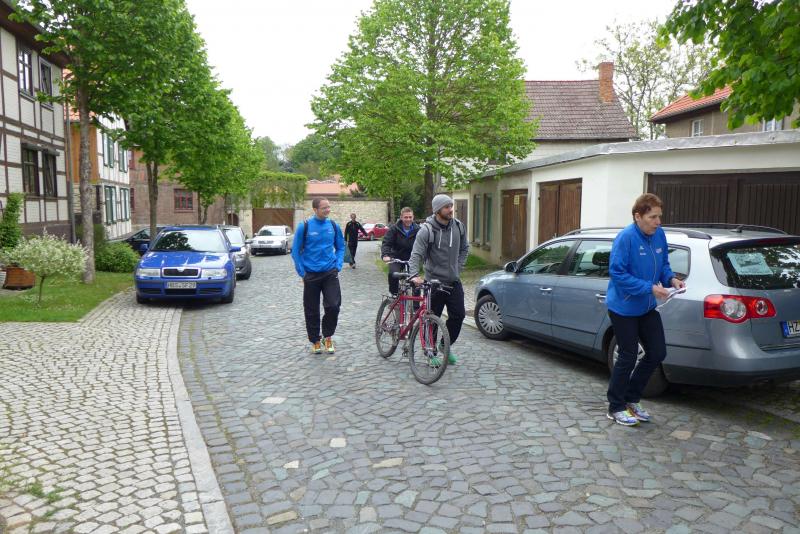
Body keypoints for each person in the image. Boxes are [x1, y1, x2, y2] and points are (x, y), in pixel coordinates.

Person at [605, 193, 685, 426]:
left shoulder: (659, 234)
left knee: (657, 353)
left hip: (647, 306)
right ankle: (616, 406)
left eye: (659, 216)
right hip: (623, 307)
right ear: (637, 216)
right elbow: (617, 274)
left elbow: (664, 265)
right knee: (628, 356)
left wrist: (671, 279)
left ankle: (631, 399)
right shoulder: (625, 238)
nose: (658, 222)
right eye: (653, 217)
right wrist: (649, 288)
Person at [408, 194, 468, 365]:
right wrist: (414, 275)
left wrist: (458, 267)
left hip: (453, 281)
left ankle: (444, 346)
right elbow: (416, 254)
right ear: (437, 210)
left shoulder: (459, 227)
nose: (451, 209)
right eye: (446, 207)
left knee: (459, 315)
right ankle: (430, 353)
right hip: (433, 283)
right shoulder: (427, 230)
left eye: (451, 206)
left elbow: (465, 248)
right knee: (431, 320)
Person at [291, 197, 345, 355]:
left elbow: (341, 247)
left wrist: (338, 265)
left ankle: (327, 336)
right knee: (311, 310)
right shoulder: (304, 226)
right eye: (324, 208)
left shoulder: (333, 225)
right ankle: (315, 340)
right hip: (311, 274)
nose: (328, 210)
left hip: (330, 272)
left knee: (333, 306)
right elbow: (295, 251)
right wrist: (302, 272)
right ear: (315, 210)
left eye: (328, 207)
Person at [381, 207, 420, 296]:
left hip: (412, 259)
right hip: (396, 258)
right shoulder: (394, 229)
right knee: (393, 274)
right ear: (401, 217)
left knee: (416, 280)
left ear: (413, 217)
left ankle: (416, 303)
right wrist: (385, 255)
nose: (408, 219)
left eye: (410, 217)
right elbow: (386, 243)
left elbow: (424, 245)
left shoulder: (418, 230)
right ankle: (394, 295)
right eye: (406, 217)